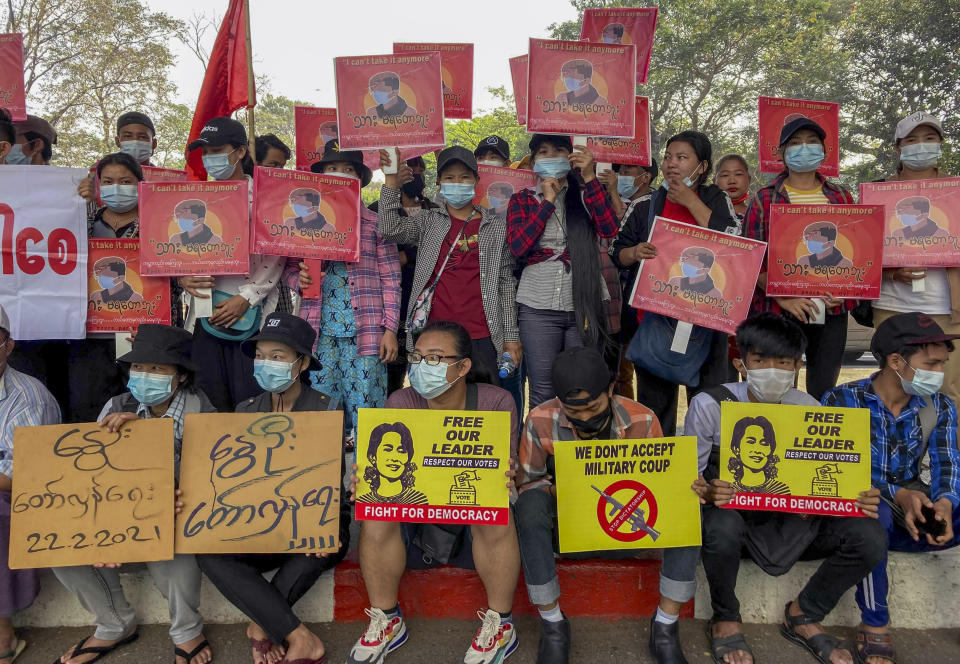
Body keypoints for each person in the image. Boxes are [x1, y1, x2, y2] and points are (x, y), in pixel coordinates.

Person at [691, 313, 885, 664]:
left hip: (795, 523)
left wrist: (858, 495)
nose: (772, 370)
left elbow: (831, 479)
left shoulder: (809, 407)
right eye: (760, 360)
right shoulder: (710, 405)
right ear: (741, 362)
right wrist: (707, 492)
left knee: (869, 535)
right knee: (719, 526)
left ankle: (804, 613)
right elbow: (689, 480)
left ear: (798, 365)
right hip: (737, 527)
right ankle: (725, 618)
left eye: (783, 362)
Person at [346, 321, 521, 664]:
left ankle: (501, 624)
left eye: (436, 358)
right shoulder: (400, 400)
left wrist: (507, 472)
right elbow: (384, 466)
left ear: (463, 366)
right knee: (376, 513)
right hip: (417, 514)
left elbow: (505, 468)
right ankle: (387, 619)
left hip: (470, 516)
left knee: (492, 504)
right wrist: (366, 479)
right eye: (418, 357)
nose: (423, 366)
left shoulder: (495, 401)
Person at [52, 324, 215, 664]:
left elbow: (210, 480)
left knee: (175, 549)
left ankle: (187, 631)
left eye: (157, 368)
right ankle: (114, 624)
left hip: (174, 514)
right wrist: (103, 530)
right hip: (118, 511)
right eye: (139, 366)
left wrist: (150, 439)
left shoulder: (203, 412)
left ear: (181, 376)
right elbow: (93, 474)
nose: (145, 375)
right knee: (62, 551)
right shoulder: (116, 405)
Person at [197, 312, 351, 664]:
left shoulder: (326, 409)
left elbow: (328, 490)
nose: (267, 364)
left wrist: (322, 526)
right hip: (259, 522)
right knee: (206, 550)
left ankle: (262, 625)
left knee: (319, 545)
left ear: (303, 362)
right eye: (262, 356)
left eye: (278, 357)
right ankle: (295, 634)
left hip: (312, 521)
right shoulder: (244, 410)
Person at [822, 312, 960, 664]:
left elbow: (947, 462)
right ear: (895, 361)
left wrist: (943, 504)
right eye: (931, 364)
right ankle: (875, 624)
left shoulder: (939, 405)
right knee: (874, 512)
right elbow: (837, 471)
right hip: (867, 516)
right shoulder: (841, 401)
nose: (939, 374)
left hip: (916, 517)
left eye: (943, 364)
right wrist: (896, 494)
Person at [515, 346, 663, 664]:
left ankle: (666, 625)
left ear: (611, 389)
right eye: (573, 412)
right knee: (528, 505)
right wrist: (566, 488)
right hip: (566, 532)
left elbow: (661, 489)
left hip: (629, 530)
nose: (584, 417)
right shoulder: (540, 419)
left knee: (688, 503)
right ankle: (553, 623)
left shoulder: (642, 419)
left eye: (593, 407)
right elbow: (530, 483)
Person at [611, 130, 740, 434]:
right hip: (656, 323)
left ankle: (708, 475)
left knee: (708, 405)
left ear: (703, 166)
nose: (672, 164)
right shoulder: (647, 203)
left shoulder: (716, 198)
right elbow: (618, 251)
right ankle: (661, 469)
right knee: (656, 409)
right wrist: (635, 252)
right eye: (669, 157)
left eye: (682, 158)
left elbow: (735, 243)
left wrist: (690, 201)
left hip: (707, 324)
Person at [11, 152, 145, 422]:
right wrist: (74, 200)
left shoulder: (157, 221)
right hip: (89, 335)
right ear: (96, 184)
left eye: (126, 181)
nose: (116, 188)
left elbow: (173, 266)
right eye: (107, 181)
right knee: (88, 408)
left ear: (140, 184)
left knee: (139, 408)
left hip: (140, 334)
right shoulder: (81, 218)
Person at [284, 140, 401, 441]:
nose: (339, 175)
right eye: (331, 169)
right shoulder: (301, 227)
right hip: (320, 333)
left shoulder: (376, 225)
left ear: (360, 180)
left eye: (347, 170)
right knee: (324, 411)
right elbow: (288, 268)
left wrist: (390, 329)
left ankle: (365, 480)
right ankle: (326, 478)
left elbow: (391, 279)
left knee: (368, 408)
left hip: (368, 334)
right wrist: (300, 281)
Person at [379, 145, 521, 386]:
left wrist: (511, 337)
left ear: (476, 180)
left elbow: (505, 284)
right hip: (434, 334)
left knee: (482, 405)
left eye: (464, 177)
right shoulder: (428, 220)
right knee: (433, 405)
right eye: (450, 177)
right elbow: (389, 229)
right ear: (439, 183)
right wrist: (391, 183)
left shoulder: (495, 226)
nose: (457, 182)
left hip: (483, 335)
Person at [742, 116, 855, 402]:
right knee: (775, 387)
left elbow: (857, 254)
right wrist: (784, 298)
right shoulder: (764, 199)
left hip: (831, 311)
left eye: (811, 142)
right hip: (781, 310)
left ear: (824, 152)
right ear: (780, 153)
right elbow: (751, 259)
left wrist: (845, 292)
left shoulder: (841, 196)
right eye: (794, 143)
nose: (803, 149)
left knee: (824, 387)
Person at [179, 117, 285, 412]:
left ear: (240, 152)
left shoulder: (266, 199)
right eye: (206, 152)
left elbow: (276, 255)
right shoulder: (191, 199)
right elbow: (175, 252)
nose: (211, 158)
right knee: (207, 398)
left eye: (218, 150)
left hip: (250, 313)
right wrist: (182, 279)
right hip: (202, 312)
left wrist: (247, 297)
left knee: (249, 397)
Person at [507, 134, 618, 408]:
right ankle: (543, 448)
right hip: (537, 305)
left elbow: (609, 229)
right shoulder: (522, 199)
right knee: (542, 387)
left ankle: (574, 447)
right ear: (533, 163)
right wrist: (547, 201)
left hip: (585, 301)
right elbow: (519, 246)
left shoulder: (586, 194)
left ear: (571, 157)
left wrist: (591, 177)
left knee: (581, 385)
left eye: (558, 150)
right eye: (543, 152)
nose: (551, 156)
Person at [871, 112, 960, 407]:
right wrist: (893, 272)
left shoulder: (956, 192)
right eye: (912, 140)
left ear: (940, 144)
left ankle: (948, 452)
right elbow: (864, 253)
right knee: (894, 388)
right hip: (891, 308)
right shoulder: (877, 193)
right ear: (899, 148)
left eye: (929, 138)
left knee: (948, 390)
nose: (921, 145)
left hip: (946, 310)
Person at [0, 305, 60, 664]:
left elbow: (20, 477)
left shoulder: (27, 396)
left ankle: (3, 635)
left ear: (8, 345)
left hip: (21, 495)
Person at [368, 156, 437, 395]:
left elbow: (440, 249)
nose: (416, 171)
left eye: (421, 168)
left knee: (428, 370)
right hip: (391, 303)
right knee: (391, 374)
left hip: (426, 302)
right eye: (411, 165)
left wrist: (408, 256)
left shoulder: (434, 210)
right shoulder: (377, 209)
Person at [356, 421, 429, 505]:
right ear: (372, 457)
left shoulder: (418, 500)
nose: (395, 458)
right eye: (388, 450)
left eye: (401, 451)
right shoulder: (363, 501)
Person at [726, 415, 790, 494]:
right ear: (736, 448)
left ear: (770, 450)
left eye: (764, 443)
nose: (758, 450)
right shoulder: (728, 489)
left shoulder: (780, 490)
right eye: (751, 442)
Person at [714, 154, 751, 220]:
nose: (732, 181)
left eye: (738, 174)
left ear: (749, 179)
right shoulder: (706, 213)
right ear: (714, 181)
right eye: (725, 175)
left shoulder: (758, 215)